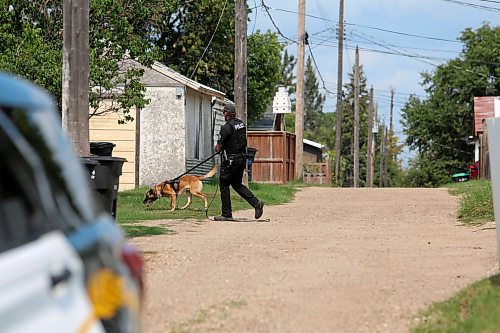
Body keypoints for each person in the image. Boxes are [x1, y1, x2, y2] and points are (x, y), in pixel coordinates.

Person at [214, 103, 264, 221]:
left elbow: (219, 147)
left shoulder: (226, 127)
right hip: (242, 158)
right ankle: (256, 204)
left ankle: (226, 214)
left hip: (231, 160)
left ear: (227, 113)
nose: (223, 115)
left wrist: (218, 148)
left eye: (224, 112)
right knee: (237, 184)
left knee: (224, 184)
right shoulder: (241, 124)